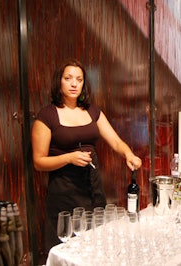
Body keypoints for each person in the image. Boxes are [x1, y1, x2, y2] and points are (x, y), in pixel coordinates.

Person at [31, 58, 142, 253]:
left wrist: (128, 154)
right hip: (64, 192)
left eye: (79, 79)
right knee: (66, 249)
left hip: (92, 187)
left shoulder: (92, 111)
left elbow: (115, 141)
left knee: (94, 247)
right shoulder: (47, 115)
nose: (74, 84)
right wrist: (69, 158)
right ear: (59, 81)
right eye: (68, 78)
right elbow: (39, 162)